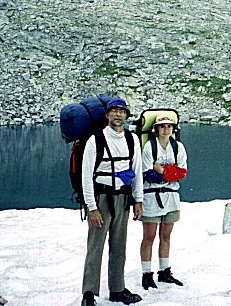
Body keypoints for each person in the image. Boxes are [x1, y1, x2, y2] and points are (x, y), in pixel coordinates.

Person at [81, 98, 144, 306]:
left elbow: (137, 172)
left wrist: (138, 200)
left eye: (122, 111)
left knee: (119, 246)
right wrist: (92, 208)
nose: (118, 115)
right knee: (95, 246)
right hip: (101, 199)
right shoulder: (95, 140)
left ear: (126, 116)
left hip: (123, 199)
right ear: (107, 115)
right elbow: (86, 177)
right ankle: (89, 294)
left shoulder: (132, 139)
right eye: (114, 111)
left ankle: (117, 289)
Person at [140, 114, 188, 290]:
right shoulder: (149, 147)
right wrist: (170, 172)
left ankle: (164, 271)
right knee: (149, 237)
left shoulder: (178, 147)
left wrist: (160, 169)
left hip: (171, 197)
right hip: (151, 197)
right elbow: (147, 174)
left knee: (166, 236)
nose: (165, 129)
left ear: (173, 129)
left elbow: (182, 173)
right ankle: (146, 274)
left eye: (169, 126)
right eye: (162, 126)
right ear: (156, 129)